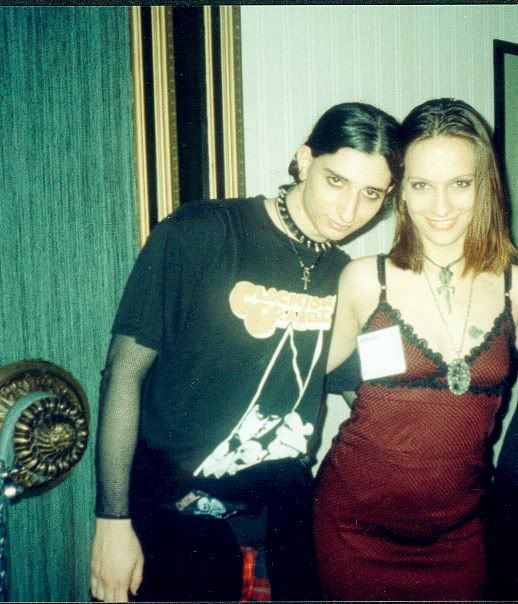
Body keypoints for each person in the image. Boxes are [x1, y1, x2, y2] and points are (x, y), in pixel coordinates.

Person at [89, 102, 402, 602]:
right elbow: (123, 374)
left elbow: (378, 396)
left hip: (281, 523)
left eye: (370, 195)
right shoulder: (201, 232)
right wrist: (112, 519)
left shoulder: (348, 278)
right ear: (304, 161)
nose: (348, 212)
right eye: (336, 181)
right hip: (174, 520)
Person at [313, 98, 518, 600]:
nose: (441, 208)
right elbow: (300, 378)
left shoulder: (514, 287)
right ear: (400, 191)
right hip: (352, 531)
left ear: (486, 185)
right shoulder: (366, 280)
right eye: (422, 185)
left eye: (460, 184)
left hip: (460, 537)